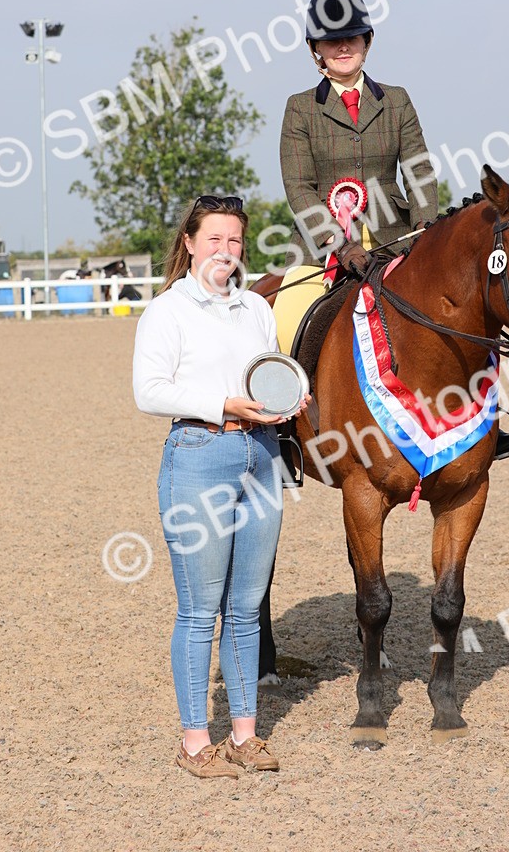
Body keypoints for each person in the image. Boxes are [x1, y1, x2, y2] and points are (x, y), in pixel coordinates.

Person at [133, 195, 304, 778]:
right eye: (214, 240)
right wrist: (219, 404)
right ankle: (193, 742)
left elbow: (270, 368)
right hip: (200, 453)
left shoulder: (255, 307)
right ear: (189, 242)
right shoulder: (169, 311)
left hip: (261, 453)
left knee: (247, 607)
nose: (225, 253)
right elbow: (148, 391)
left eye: (234, 241)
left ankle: (245, 735)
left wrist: (288, 401)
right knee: (199, 610)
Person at [274, 0, 439, 349]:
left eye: (352, 37)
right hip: (319, 253)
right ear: (315, 48)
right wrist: (339, 244)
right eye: (332, 40)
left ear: (367, 40)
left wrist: (425, 229)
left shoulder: (397, 101)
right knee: (284, 327)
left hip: (396, 239)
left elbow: (418, 171)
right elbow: (299, 187)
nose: (343, 47)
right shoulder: (299, 108)